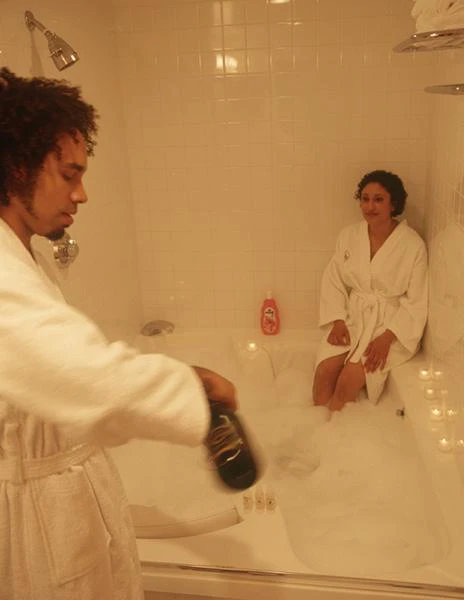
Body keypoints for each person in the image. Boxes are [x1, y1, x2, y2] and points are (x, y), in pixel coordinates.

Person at [0, 68, 237, 599]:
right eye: (69, 175)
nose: (82, 194)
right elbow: (83, 379)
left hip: (63, 497)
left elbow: (64, 360)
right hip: (38, 522)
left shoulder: (25, 255)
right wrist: (193, 389)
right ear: (17, 167)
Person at [312, 170, 428, 412]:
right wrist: (337, 320)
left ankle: (337, 430)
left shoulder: (412, 245)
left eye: (378, 199)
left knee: (347, 382)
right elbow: (333, 279)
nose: (369, 206)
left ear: (393, 204)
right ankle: (317, 429)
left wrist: (387, 338)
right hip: (353, 318)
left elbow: (416, 301)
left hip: (389, 326)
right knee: (324, 373)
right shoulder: (349, 235)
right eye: (364, 199)